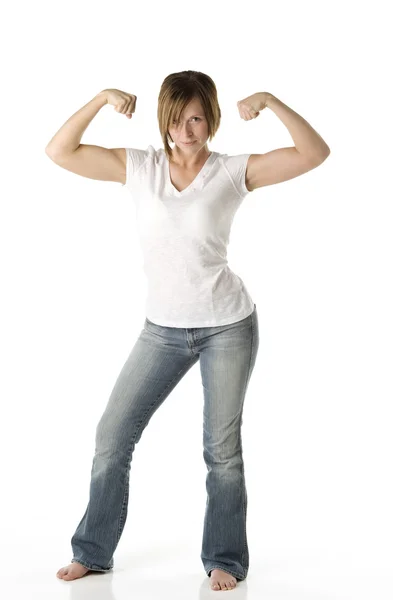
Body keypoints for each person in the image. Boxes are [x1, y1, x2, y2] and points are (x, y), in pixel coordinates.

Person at [46, 70, 329, 590]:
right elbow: (60, 151)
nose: (186, 127)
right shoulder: (140, 167)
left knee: (221, 451)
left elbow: (314, 153)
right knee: (112, 436)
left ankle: (225, 559)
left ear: (211, 119)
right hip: (162, 329)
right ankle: (93, 551)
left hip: (227, 326)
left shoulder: (232, 171)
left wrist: (271, 100)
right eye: (176, 117)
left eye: (196, 116)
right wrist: (100, 98)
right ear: (164, 119)